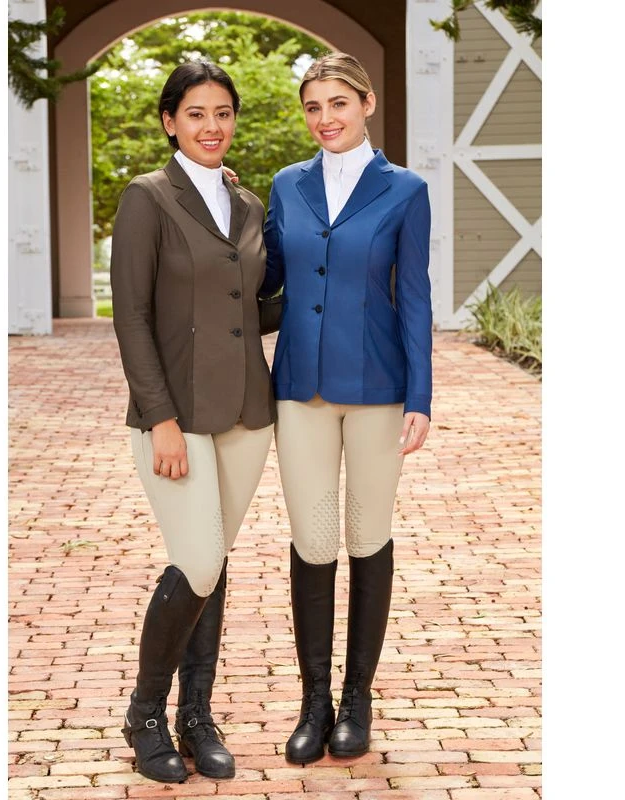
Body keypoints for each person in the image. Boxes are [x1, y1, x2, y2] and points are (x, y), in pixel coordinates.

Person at [260, 52, 432, 763]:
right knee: (312, 538)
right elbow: (267, 273)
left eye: (338, 103)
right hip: (300, 386)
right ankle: (314, 702)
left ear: (366, 103)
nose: (324, 118)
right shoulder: (285, 185)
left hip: (378, 388)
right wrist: (227, 214)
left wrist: (421, 395)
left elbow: (414, 295)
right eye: (313, 106)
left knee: (367, 534)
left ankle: (357, 699)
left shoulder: (406, 189)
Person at [110, 60, 275, 783]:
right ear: (169, 121)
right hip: (175, 416)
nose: (212, 126)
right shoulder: (146, 198)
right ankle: (145, 713)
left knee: (210, 563)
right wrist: (161, 419)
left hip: (246, 413)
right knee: (199, 558)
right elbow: (132, 317)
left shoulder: (248, 205)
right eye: (197, 113)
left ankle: (196, 716)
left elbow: (250, 310)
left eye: (223, 113)